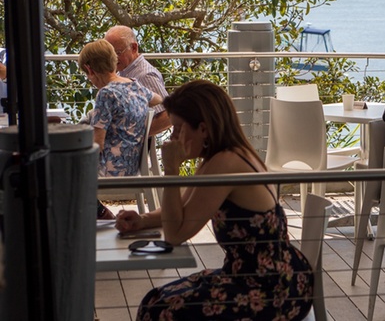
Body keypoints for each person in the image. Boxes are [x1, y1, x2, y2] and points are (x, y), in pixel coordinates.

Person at [115, 80, 314, 320]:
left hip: (272, 289)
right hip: (257, 276)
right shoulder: (218, 158)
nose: (173, 136)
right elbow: (184, 208)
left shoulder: (225, 164)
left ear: (204, 129)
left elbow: (175, 234)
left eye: (178, 128)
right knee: (155, 301)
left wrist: (171, 169)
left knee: (159, 312)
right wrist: (143, 220)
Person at [80, 39, 160, 219]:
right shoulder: (135, 84)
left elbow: (97, 144)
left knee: (63, 167)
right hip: (134, 166)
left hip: (113, 171)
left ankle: (98, 213)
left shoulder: (105, 94)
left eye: (87, 75)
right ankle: (98, 212)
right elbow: (160, 101)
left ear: (90, 70)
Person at [105, 25, 171, 135]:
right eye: (109, 54)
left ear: (134, 48)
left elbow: (167, 115)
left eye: (118, 52)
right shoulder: (123, 71)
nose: (113, 58)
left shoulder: (145, 75)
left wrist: (131, 134)